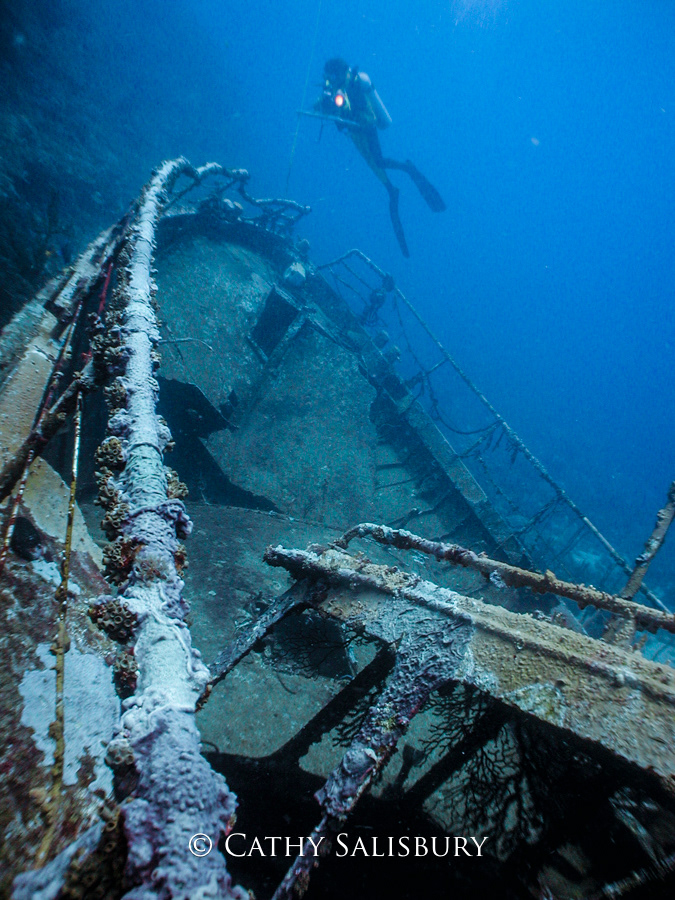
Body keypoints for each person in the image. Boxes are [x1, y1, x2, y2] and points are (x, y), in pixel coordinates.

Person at [316, 58, 446, 257]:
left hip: (366, 130)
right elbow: (331, 109)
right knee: (375, 168)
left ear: (341, 73)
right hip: (356, 133)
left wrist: (348, 114)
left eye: (333, 76)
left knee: (378, 161)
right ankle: (392, 190)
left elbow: (364, 114)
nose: (331, 80)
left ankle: (407, 168)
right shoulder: (339, 88)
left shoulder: (354, 85)